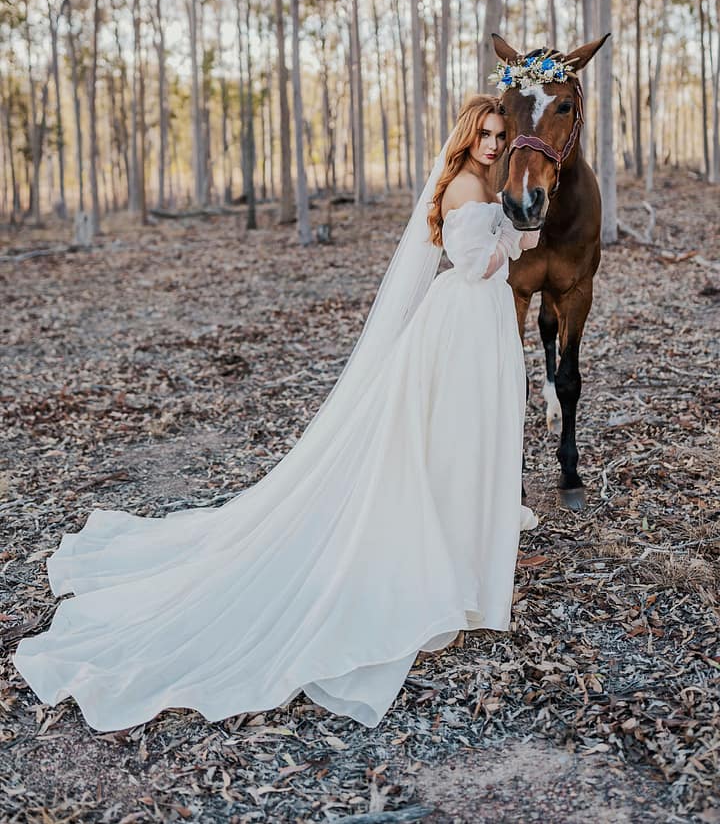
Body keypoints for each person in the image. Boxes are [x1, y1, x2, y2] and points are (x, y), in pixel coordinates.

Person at [13, 94, 540, 733]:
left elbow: (505, 244)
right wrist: (514, 234)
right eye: (483, 133)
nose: (491, 142)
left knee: (468, 440)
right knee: (451, 440)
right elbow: (473, 263)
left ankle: (465, 548)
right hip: (458, 322)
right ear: (466, 138)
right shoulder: (461, 185)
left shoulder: (491, 179)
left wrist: (517, 225)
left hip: (478, 326)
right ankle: (444, 562)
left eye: (498, 133)